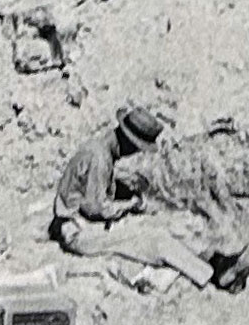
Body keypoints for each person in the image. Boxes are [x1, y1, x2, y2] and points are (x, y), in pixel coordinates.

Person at [50, 106, 213, 287]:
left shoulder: (99, 147)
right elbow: (96, 208)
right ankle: (207, 276)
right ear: (128, 142)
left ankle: (206, 258)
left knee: (159, 224)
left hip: (81, 222)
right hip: (79, 232)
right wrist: (130, 204)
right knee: (155, 240)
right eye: (137, 148)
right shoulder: (100, 158)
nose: (136, 153)